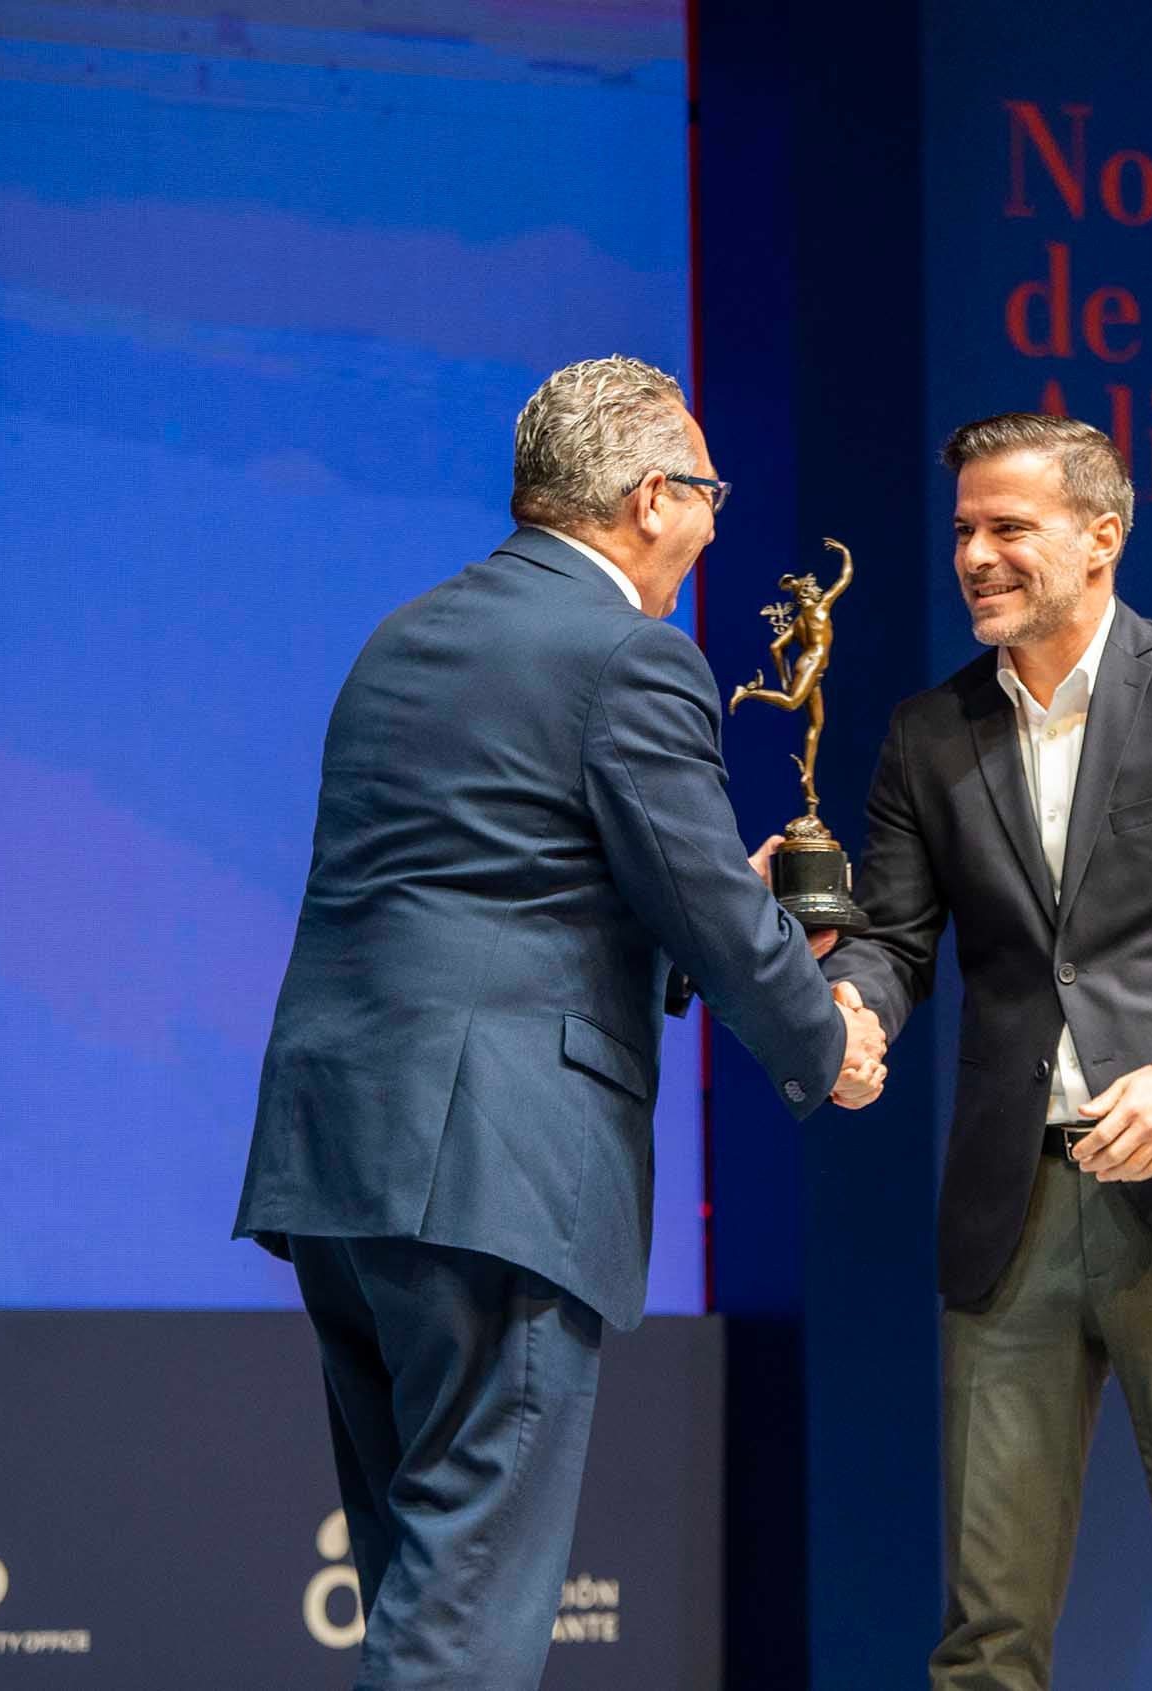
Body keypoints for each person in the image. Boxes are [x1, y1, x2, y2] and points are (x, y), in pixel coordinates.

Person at [233, 354, 885, 1690]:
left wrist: (715, 910)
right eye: (703, 492)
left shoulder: (404, 634)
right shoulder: (629, 656)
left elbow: (505, 879)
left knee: (418, 1586)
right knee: (464, 1613)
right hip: (496, 1169)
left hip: (340, 1163)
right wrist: (827, 1036)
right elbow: (699, 899)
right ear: (649, 498)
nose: (713, 522)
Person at [823, 412, 1152, 1689]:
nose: (976, 555)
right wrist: (849, 1011)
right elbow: (891, 943)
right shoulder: (927, 732)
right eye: (963, 530)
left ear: (1102, 537)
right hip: (1012, 1214)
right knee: (986, 1639)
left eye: (1009, 527)